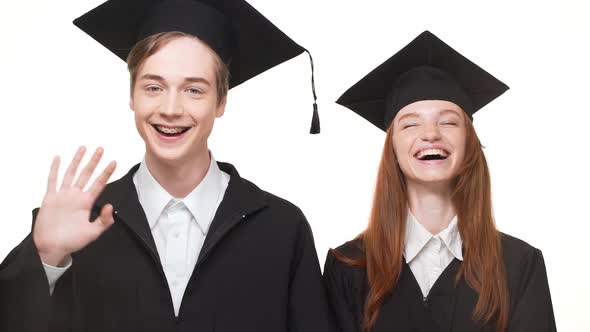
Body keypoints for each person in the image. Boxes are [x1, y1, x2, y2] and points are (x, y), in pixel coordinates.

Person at [0, 0, 333, 331]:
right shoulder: (76, 225)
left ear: (221, 101)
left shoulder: (280, 229)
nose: (171, 108)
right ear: (132, 96)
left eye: (193, 90)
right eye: (154, 87)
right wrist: (46, 260)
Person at [323, 31, 556, 332]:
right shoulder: (348, 267)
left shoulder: (518, 264)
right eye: (410, 124)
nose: (430, 133)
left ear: (469, 142)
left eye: (448, 121)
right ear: (392, 146)